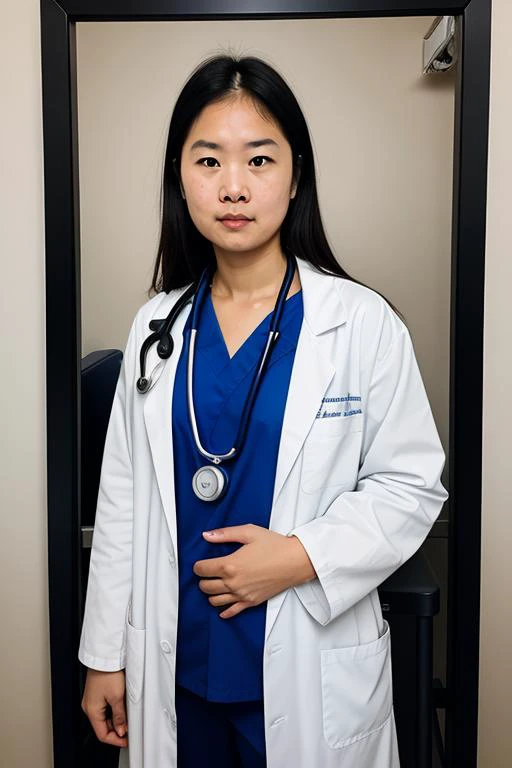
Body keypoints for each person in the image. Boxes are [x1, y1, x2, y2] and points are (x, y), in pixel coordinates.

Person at [79, 52, 448, 768]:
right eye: (209, 161)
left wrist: (299, 557)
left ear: (296, 173)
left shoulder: (362, 323)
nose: (235, 186)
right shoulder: (156, 330)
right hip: (174, 670)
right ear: (179, 178)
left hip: (307, 662)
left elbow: (412, 487)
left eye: (259, 159)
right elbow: (121, 503)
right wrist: (103, 656)